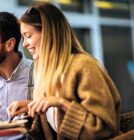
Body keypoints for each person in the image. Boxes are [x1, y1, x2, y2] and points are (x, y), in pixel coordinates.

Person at [7, 3, 121, 140]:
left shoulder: (83, 65)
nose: (24, 44)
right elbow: (49, 129)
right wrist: (32, 108)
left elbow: (105, 128)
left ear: (49, 33)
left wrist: (61, 103)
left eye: (28, 36)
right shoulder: (42, 69)